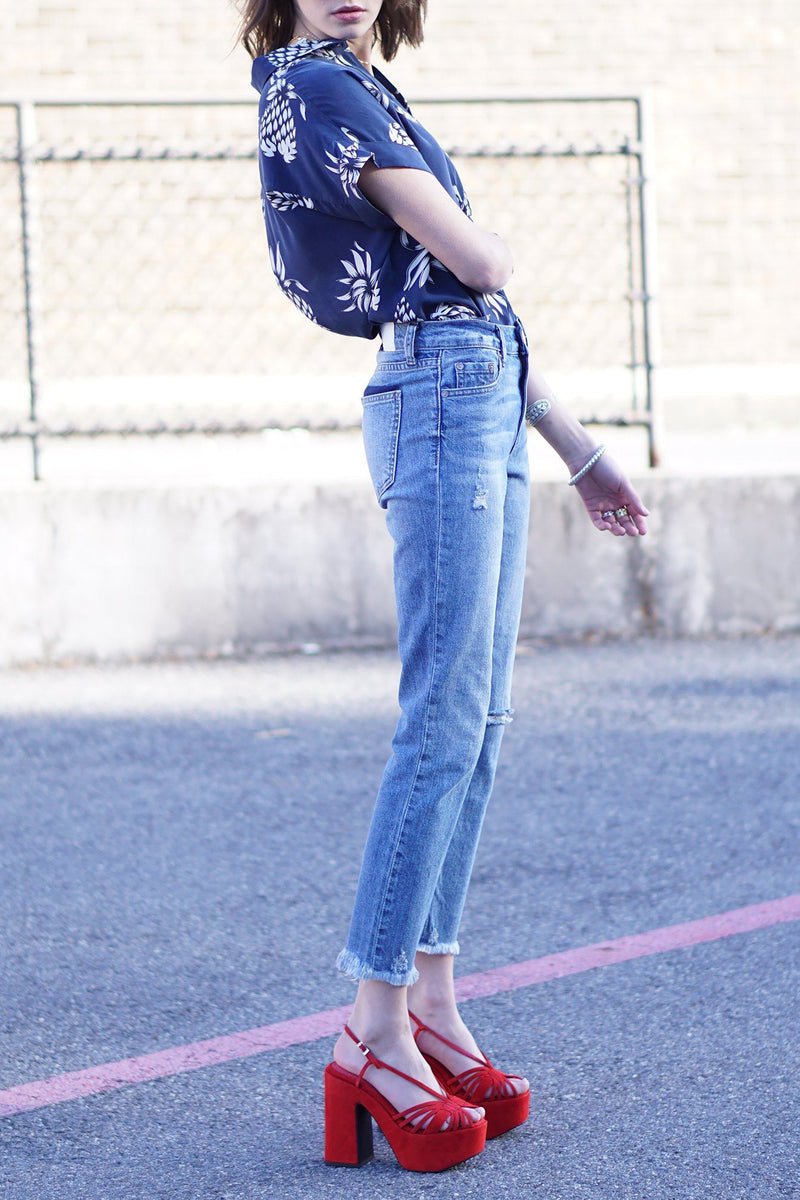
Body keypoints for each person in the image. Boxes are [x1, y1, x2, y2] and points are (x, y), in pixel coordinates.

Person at [237, 0, 649, 1173]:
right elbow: (475, 266)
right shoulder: (313, 84)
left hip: (479, 386)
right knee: (439, 725)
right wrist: (485, 239)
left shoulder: (365, 88)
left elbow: (477, 303)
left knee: (479, 724)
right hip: (437, 395)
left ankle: (431, 1003)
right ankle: (369, 1031)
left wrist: (574, 446)